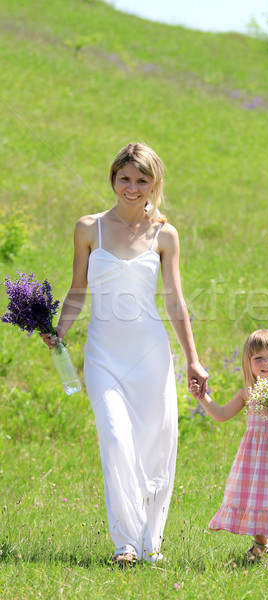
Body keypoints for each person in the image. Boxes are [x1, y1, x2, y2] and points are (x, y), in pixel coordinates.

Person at [41, 142, 208, 565]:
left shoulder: (164, 234)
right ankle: (125, 545)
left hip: (151, 355)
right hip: (103, 356)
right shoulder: (88, 228)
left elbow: (175, 301)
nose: (132, 188)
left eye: (142, 180)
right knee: (115, 439)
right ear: (113, 179)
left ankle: (150, 541)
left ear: (154, 185)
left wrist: (193, 358)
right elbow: (77, 290)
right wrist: (58, 331)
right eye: (125, 178)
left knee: (154, 445)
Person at [190, 328, 268, 562]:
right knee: (256, 501)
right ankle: (259, 545)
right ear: (248, 363)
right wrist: (203, 397)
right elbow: (221, 414)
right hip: (253, 460)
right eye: (258, 358)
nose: (266, 362)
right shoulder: (248, 393)